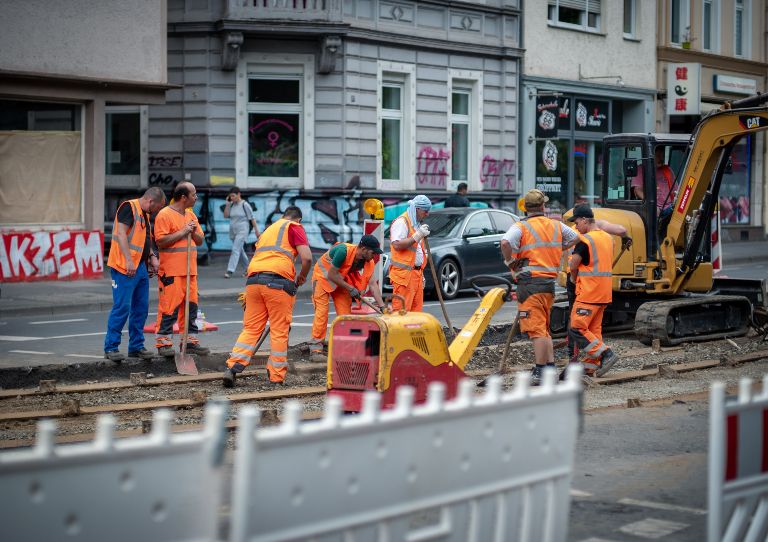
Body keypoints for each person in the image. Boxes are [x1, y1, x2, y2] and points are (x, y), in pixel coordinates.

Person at [223, 206, 312, 387]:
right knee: (279, 330)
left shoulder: (267, 231)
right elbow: (307, 258)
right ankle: (276, 377)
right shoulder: (294, 227)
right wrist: (302, 276)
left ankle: (232, 368)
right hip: (278, 282)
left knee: (251, 328)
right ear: (298, 219)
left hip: (254, 282)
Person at [500, 189, 579, 386]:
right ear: (543, 206)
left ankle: (540, 370)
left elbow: (504, 242)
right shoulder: (556, 225)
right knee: (543, 328)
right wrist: (556, 249)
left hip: (530, 283)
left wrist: (510, 262)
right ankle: (550, 367)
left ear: (526, 208)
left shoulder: (521, 227)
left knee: (536, 330)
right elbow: (576, 237)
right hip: (548, 284)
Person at [104, 187, 166, 362]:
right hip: (124, 267)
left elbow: (146, 240)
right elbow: (121, 233)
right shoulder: (128, 207)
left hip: (140, 267)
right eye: (157, 208)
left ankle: (136, 347)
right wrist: (129, 260)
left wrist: (152, 257)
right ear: (150, 201)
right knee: (122, 307)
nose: (156, 213)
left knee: (141, 308)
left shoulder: (144, 214)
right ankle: (111, 347)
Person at [308, 235, 387, 362]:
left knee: (345, 315)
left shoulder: (369, 261)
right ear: (364, 249)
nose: (374, 256)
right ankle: (315, 348)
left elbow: (372, 284)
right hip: (322, 278)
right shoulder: (342, 251)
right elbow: (332, 274)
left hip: (340, 280)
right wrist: (350, 289)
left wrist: (382, 306)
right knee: (322, 313)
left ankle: (344, 346)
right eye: (373, 252)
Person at [564, 214, 631, 363]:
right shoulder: (608, 238)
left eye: (577, 222)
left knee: (577, 328)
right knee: (594, 331)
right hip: (604, 292)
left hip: (588, 292)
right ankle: (592, 365)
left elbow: (573, 264)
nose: (576, 227)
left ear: (585, 220)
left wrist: (573, 279)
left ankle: (606, 353)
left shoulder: (585, 240)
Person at [154, 182, 210, 358]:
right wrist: (183, 231)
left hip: (190, 271)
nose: (196, 197)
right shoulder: (164, 215)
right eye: (194, 194)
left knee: (191, 308)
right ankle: (163, 343)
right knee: (169, 308)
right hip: (171, 272)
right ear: (184, 197)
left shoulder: (191, 215)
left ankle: (190, 341)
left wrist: (192, 232)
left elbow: (200, 240)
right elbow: (161, 241)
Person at [389, 195, 432, 312]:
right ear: (417, 209)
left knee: (416, 314)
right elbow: (397, 245)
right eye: (425, 211)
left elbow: (416, 251)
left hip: (416, 276)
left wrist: (420, 272)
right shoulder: (402, 222)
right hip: (404, 277)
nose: (427, 214)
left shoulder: (416, 224)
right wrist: (417, 236)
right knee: (401, 314)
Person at [223, 187, 259, 279]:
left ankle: (230, 270)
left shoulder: (245, 205)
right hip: (233, 230)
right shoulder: (231, 205)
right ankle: (248, 269)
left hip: (242, 230)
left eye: (233, 196)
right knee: (240, 250)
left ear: (239, 194)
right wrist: (227, 204)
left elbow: (252, 218)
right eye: (230, 196)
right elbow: (226, 216)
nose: (232, 198)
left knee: (235, 249)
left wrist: (256, 231)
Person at [631, 146, 675, 212]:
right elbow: (638, 190)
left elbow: (675, 191)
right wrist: (652, 205)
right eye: (658, 155)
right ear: (650, 156)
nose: (661, 158)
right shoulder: (641, 169)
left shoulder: (667, 170)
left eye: (662, 155)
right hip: (653, 207)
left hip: (669, 207)